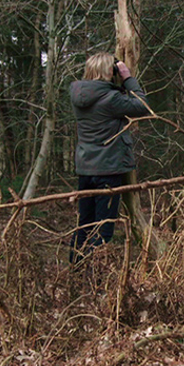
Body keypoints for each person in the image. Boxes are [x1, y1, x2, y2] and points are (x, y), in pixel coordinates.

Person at [69, 52, 149, 264]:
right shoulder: (112, 99)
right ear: (110, 71)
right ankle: (95, 280)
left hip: (85, 169)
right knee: (102, 230)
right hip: (108, 170)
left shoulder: (78, 94)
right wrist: (128, 78)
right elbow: (143, 106)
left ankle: (75, 274)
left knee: (84, 224)